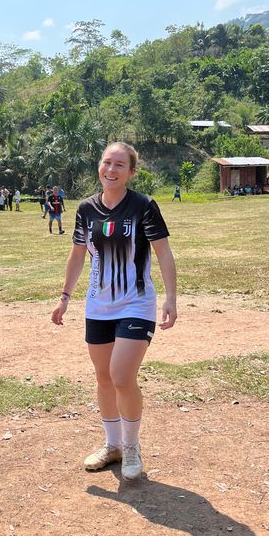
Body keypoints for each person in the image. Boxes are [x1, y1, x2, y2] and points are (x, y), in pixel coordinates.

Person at [51, 141, 177, 481]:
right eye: (107, 163)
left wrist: (171, 298)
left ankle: (132, 446)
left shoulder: (143, 207)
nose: (112, 169)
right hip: (98, 306)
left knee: (122, 376)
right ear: (99, 166)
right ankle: (113, 445)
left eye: (120, 165)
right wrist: (65, 296)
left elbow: (163, 252)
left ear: (131, 172)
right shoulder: (86, 209)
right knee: (104, 378)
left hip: (136, 303)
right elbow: (78, 254)